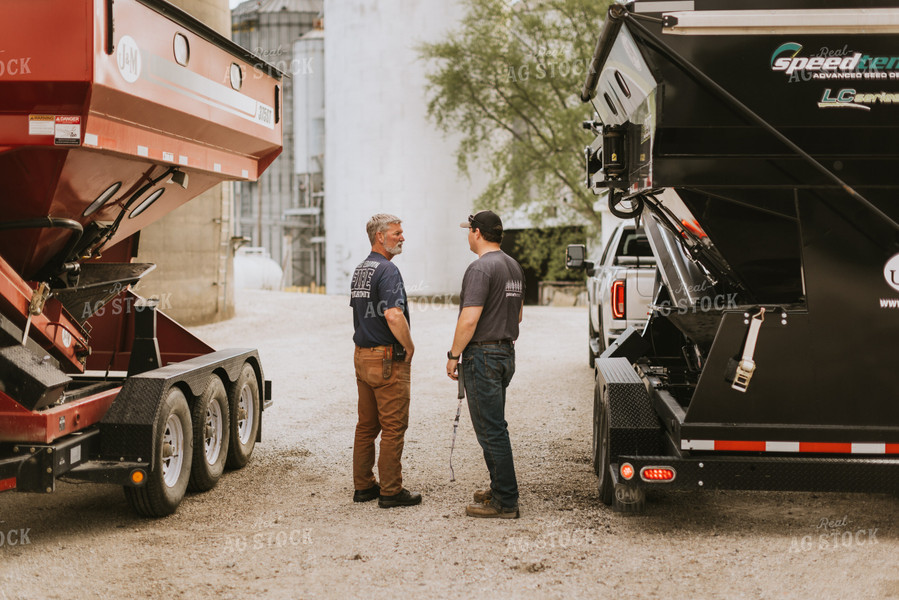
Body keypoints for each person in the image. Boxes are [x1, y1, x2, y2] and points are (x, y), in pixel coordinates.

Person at [446, 210, 525, 519]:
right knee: (496, 425)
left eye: (469, 230)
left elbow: (469, 319)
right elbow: (517, 315)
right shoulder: (513, 266)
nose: (468, 235)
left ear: (477, 233)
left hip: (484, 356)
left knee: (491, 430)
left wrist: (454, 355)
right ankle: (499, 486)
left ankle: (506, 501)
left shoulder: (480, 268)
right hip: (505, 353)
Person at [350, 213, 421, 509]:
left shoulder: (361, 269)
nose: (402, 237)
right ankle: (391, 491)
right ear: (380, 236)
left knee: (366, 426)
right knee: (393, 428)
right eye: (396, 233)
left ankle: (364, 486)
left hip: (363, 357)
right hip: (387, 359)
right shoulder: (388, 270)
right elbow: (393, 314)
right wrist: (409, 345)